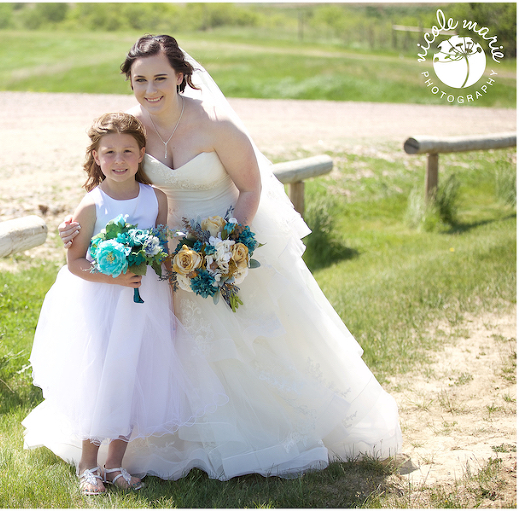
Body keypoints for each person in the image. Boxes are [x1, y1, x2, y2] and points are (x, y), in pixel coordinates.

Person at [57, 35, 402, 481]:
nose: (150, 89)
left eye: (160, 77)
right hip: (163, 256)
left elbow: (251, 188)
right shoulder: (133, 131)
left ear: (181, 76)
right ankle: (152, 439)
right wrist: (74, 227)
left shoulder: (216, 123)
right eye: (140, 80)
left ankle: (254, 434)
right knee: (162, 343)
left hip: (218, 240)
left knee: (241, 341)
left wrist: (227, 244)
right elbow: (114, 183)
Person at [23, 112, 227, 495]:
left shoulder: (156, 200)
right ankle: (88, 464)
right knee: (102, 377)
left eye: (127, 152)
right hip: (102, 302)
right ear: (97, 157)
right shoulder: (91, 206)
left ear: (141, 155)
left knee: (134, 375)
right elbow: (75, 263)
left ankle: (115, 462)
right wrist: (113, 276)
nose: (119, 160)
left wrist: (169, 302)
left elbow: (163, 257)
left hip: (144, 302)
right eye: (110, 152)